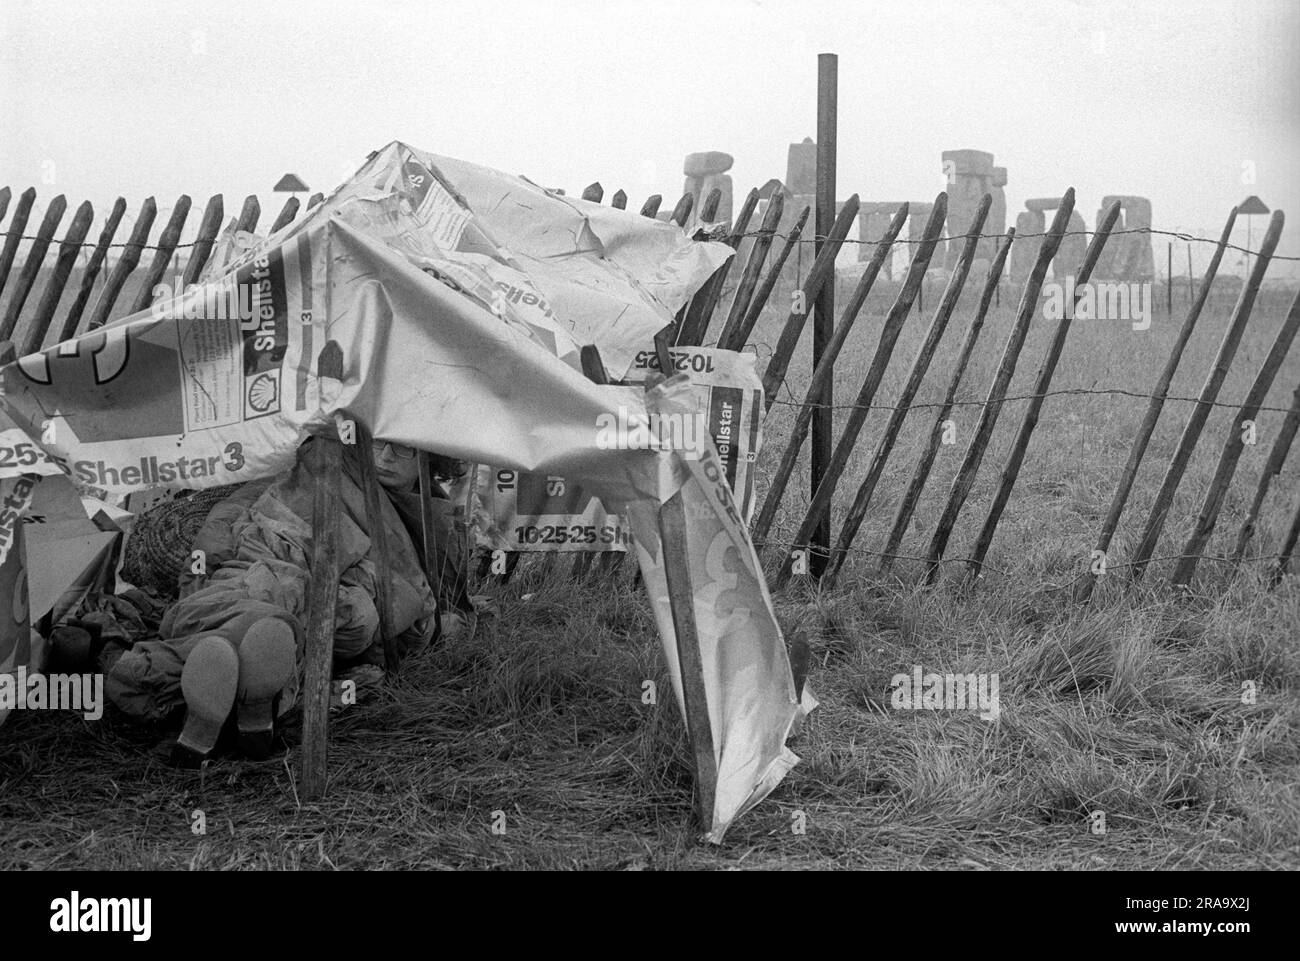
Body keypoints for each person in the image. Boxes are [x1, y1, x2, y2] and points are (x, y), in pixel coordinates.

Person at [102, 435, 468, 766]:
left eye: (403, 449)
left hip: (339, 597)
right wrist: (202, 569)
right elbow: (229, 520)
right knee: (266, 595)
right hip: (267, 556)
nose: (386, 456)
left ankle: (179, 690)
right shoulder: (320, 460)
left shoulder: (431, 517)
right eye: (377, 443)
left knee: (330, 612)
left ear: (428, 457)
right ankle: (259, 704)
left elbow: (424, 601)